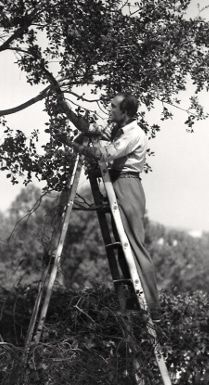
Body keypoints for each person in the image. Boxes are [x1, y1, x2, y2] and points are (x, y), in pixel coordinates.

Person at [64, 93, 162, 322]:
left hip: (127, 185)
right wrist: (66, 110)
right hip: (116, 181)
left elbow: (104, 153)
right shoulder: (117, 129)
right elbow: (93, 132)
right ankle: (134, 298)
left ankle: (153, 307)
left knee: (135, 245)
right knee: (121, 245)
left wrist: (73, 145)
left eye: (113, 107)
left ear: (125, 112)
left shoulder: (134, 134)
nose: (108, 109)